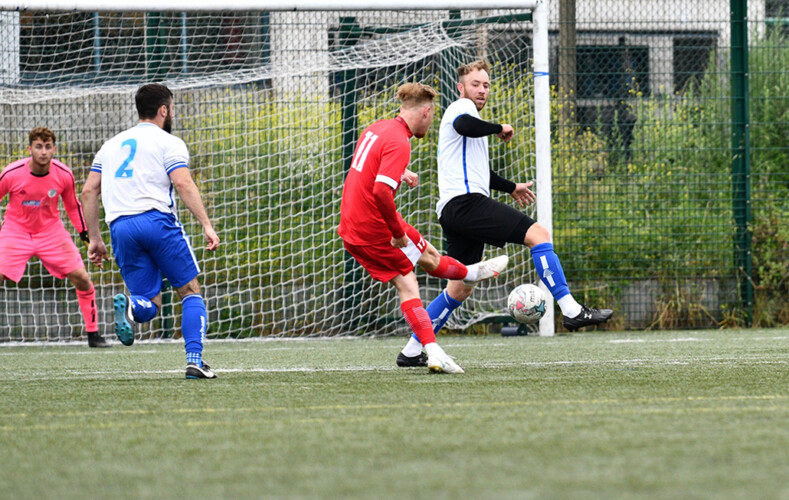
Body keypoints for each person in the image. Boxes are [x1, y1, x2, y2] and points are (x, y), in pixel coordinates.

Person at [397, 60, 612, 366]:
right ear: (461, 88)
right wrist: (499, 128)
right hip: (467, 205)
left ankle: (411, 350)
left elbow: (480, 172)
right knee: (538, 234)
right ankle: (572, 309)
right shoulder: (461, 109)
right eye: (475, 84)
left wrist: (511, 187)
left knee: (459, 289)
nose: (481, 90)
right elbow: (465, 126)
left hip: (453, 210)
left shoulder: (468, 122)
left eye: (486, 85)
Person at [338, 82, 508, 374]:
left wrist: (400, 172)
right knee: (408, 283)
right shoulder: (400, 142)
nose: (431, 123)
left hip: (353, 221)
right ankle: (434, 350)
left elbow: (367, 165)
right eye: (432, 117)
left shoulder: (377, 128)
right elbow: (380, 192)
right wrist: (397, 233)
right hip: (374, 225)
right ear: (426, 112)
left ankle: (469, 273)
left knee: (427, 254)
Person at [81, 83, 220, 379]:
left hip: (120, 228)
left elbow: (88, 191)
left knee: (150, 302)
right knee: (190, 291)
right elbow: (182, 183)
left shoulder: (110, 145)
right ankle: (194, 361)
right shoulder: (169, 142)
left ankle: (134, 305)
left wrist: (95, 239)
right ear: (164, 110)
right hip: (157, 222)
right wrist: (206, 225)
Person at [0, 127, 110, 348]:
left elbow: (73, 208)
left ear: (54, 149)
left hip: (51, 232)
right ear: (29, 149)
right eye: (39, 147)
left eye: (48, 147)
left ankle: (93, 334)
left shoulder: (64, 174)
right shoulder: (11, 173)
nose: (43, 152)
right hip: (16, 231)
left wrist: (88, 241)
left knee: (82, 278)